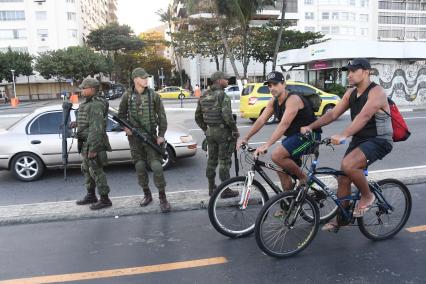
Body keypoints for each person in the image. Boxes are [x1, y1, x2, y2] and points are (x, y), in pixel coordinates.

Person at [300, 58, 393, 231]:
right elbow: (333, 114)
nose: (348, 75)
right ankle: (342, 220)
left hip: (379, 140)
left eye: (353, 71)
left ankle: (367, 195)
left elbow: (364, 116)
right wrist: (310, 127)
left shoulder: (377, 92)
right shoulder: (351, 93)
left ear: (366, 71)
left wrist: (343, 134)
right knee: (343, 178)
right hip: (360, 139)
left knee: (348, 165)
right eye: (347, 71)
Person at [237, 71, 321, 191]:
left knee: (277, 156)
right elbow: (261, 120)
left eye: (275, 84)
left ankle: (304, 178)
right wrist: (246, 138)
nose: (272, 88)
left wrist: (267, 145)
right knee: (281, 170)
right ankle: (288, 205)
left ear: (284, 84)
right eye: (269, 85)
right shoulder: (274, 101)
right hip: (295, 137)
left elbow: (284, 124)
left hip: (310, 137)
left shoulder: (293, 99)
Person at [118, 67, 171, 213]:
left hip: (150, 138)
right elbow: (121, 116)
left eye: (146, 77)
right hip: (134, 139)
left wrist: (161, 135)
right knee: (140, 167)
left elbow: (162, 117)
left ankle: (163, 198)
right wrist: (125, 128)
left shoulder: (154, 95)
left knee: (157, 167)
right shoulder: (127, 96)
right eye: (143, 78)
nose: (146, 79)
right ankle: (147, 195)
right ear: (135, 80)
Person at [195, 71, 239, 197]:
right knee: (224, 161)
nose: (227, 81)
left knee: (211, 161)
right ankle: (225, 190)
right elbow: (227, 116)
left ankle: (211, 188)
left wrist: (206, 129)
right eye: (225, 79)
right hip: (223, 133)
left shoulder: (204, 95)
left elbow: (197, 117)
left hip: (210, 132)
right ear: (219, 81)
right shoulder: (222, 95)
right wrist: (235, 129)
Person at [74, 78, 113, 210]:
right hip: (86, 143)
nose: (82, 90)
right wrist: (77, 124)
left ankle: (105, 199)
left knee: (96, 171)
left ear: (91, 89)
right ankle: (91, 195)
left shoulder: (95, 105)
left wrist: (93, 149)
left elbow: (97, 129)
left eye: (84, 88)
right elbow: (89, 122)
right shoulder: (89, 103)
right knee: (86, 169)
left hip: (93, 144)